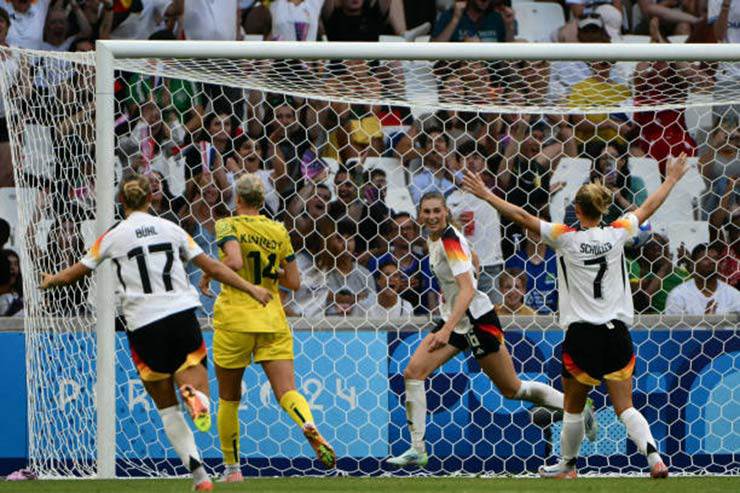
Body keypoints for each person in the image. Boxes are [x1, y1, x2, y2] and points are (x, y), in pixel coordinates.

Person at [462, 153, 694, 479]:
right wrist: (670, 179)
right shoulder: (617, 233)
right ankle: (654, 457)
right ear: (602, 209)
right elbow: (648, 208)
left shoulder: (564, 238)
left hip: (582, 335)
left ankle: (568, 467)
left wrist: (486, 194)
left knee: (572, 407)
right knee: (625, 407)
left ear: (577, 210)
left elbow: (521, 215)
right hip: (616, 333)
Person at [39, 174, 273, 491]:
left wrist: (49, 280)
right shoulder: (171, 229)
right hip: (181, 316)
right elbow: (214, 267)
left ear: (121, 202)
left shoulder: (113, 236)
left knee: (167, 410)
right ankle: (194, 397)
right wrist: (251, 289)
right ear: (151, 199)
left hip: (144, 325)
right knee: (196, 387)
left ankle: (201, 478)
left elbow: (73, 275)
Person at [386, 191, 596, 467]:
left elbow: (467, 289)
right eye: (427, 211)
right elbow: (472, 260)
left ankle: (579, 406)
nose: (432, 216)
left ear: (446, 212)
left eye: (437, 211)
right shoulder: (436, 238)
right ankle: (418, 449)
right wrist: (462, 285)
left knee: (512, 389)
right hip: (456, 319)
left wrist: (446, 329)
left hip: (476, 320)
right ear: (419, 216)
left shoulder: (450, 240)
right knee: (413, 372)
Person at [200, 173, 335, 482]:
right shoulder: (278, 230)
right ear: (262, 202)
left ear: (237, 200)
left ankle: (233, 470)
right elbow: (294, 282)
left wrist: (208, 271)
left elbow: (234, 262)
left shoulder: (227, 225)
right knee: (287, 391)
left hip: (235, 319)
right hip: (272, 317)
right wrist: (271, 270)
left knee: (229, 399)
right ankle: (307, 424)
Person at [664, 242, 740, 315]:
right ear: (693, 264)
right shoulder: (678, 295)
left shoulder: (732, 294)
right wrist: (705, 320)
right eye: (706, 258)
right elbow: (673, 324)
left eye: (715, 258)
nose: (712, 261)